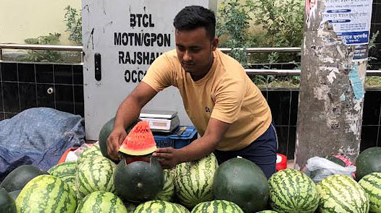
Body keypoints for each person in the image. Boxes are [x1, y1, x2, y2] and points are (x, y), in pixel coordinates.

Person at [106, 5, 277, 177]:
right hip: (216, 145)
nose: (186, 57)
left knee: (258, 196)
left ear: (214, 44)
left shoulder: (229, 79)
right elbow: (136, 99)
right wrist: (118, 127)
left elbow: (211, 137)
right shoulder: (170, 63)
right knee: (215, 198)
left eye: (195, 49)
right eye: (181, 48)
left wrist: (178, 156)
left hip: (254, 138)